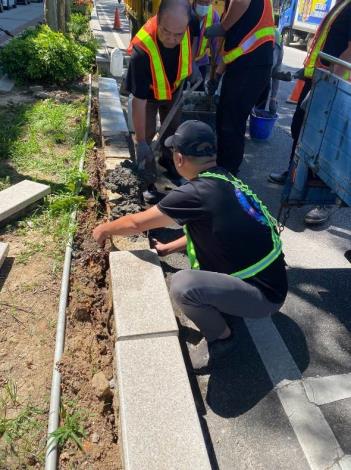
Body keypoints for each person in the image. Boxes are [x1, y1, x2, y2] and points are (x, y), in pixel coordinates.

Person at [93, 121, 288, 372]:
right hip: (271, 281)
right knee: (193, 282)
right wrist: (169, 248)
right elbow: (215, 232)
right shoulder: (223, 178)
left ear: (179, 158)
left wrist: (103, 229)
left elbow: (134, 224)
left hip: (264, 298)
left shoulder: (193, 194)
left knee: (184, 286)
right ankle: (228, 302)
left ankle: (222, 337)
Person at [269, 0, 351, 225]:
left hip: (334, 85)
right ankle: (294, 173)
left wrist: (331, 80)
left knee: (327, 145)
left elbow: (349, 51)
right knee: (299, 128)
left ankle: (325, 201)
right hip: (319, 78)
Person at [125, 0, 202, 204]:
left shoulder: (191, 21)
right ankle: (146, 177)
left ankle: (168, 165)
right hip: (149, 96)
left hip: (174, 88)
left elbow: (192, 40)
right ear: (158, 20)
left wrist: (192, 63)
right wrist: (141, 141)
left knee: (172, 132)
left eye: (178, 34)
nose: (172, 39)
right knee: (147, 135)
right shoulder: (141, 52)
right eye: (166, 31)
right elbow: (138, 103)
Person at [204, 0, 275, 175]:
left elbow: (241, 2)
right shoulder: (241, 13)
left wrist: (223, 26)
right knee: (225, 117)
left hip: (251, 67)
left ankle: (227, 173)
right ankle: (223, 166)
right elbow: (235, 46)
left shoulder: (238, 6)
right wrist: (218, 74)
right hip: (245, 65)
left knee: (231, 122)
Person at [192, 0, 221, 91]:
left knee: (198, 93)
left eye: (207, 3)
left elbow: (216, 47)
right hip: (183, 63)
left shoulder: (214, 16)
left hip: (201, 63)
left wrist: (215, 75)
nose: (204, 6)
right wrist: (191, 64)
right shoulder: (185, 13)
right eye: (201, 2)